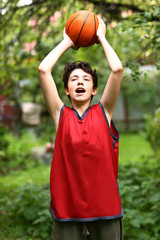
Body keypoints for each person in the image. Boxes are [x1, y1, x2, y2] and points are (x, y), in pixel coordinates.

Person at [38, 16, 123, 240]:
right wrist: (68, 40)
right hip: (68, 209)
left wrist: (101, 37)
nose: (80, 82)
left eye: (86, 79)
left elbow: (117, 70)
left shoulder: (104, 112)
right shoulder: (60, 114)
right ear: (66, 90)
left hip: (105, 208)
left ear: (94, 89)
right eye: (74, 79)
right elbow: (43, 70)